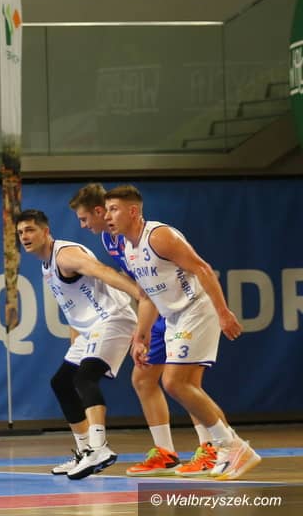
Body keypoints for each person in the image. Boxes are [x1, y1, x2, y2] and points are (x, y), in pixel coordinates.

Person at [104, 185, 261, 480]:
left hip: (196, 309)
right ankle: (227, 448)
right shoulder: (127, 248)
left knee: (174, 382)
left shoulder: (160, 236)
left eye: (114, 209)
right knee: (186, 387)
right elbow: (148, 296)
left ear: (133, 211)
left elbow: (203, 269)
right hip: (173, 318)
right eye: (107, 210)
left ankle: (232, 446)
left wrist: (223, 312)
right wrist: (140, 336)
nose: (107, 216)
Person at [70, 184, 220, 476]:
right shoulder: (111, 240)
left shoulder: (152, 235)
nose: (84, 226)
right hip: (158, 311)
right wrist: (143, 329)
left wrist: (222, 312)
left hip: (184, 308)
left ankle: (211, 448)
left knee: (184, 383)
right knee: (143, 378)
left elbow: (194, 269)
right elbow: (142, 287)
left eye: (85, 218)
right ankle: (165, 453)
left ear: (101, 211)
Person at [17, 210, 153, 479]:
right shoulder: (46, 265)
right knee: (61, 382)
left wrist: (139, 293)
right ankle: (85, 451)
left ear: (45, 232)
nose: (25, 237)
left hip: (112, 319)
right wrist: (75, 342)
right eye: (20, 233)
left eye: (30, 230)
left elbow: (102, 271)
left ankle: (99, 448)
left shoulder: (65, 255)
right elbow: (73, 306)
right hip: (89, 329)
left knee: (84, 378)